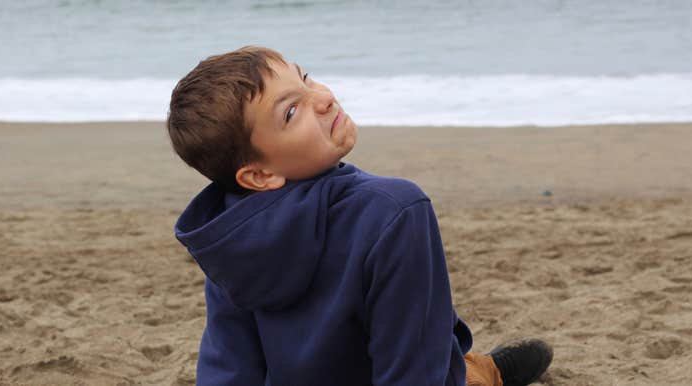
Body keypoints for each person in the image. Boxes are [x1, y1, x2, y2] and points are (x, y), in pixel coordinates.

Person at [168, 46, 552, 386]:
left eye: (305, 78)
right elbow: (413, 366)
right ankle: (482, 372)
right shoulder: (395, 209)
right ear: (259, 174)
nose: (323, 98)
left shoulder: (230, 233)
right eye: (291, 111)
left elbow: (230, 366)